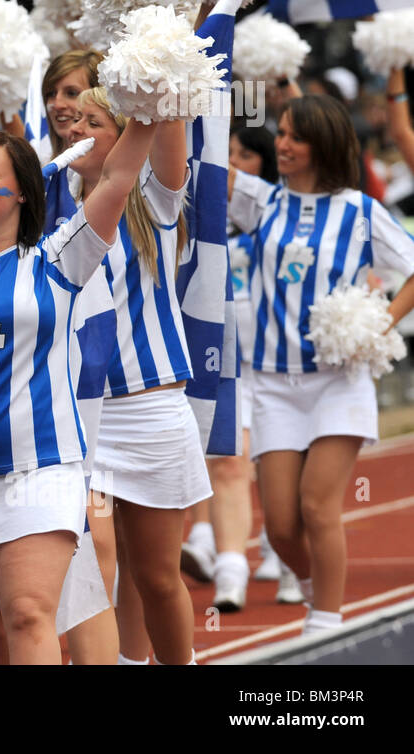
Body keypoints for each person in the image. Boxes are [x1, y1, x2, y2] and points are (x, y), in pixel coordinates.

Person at [0, 115, 160, 664]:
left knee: (29, 612)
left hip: (41, 468)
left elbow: (119, 178)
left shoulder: (58, 257)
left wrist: (148, 111)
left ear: (25, 193)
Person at [228, 95, 414, 635]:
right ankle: (313, 588)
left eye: (294, 136)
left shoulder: (361, 211)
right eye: (280, 133)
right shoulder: (259, 201)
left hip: (339, 381)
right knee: (282, 525)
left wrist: (378, 324)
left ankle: (327, 623)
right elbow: (199, 159)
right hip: (271, 380)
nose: (281, 144)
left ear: (324, 145)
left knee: (317, 505)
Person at [70, 86, 210, 666]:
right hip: (78, 420)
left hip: (148, 414)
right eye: (72, 117)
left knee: (156, 577)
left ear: (126, 132)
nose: (76, 127)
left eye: (94, 120)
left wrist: (164, 67)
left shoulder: (152, 202)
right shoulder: (51, 197)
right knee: (95, 559)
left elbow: (169, 129)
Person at [181, 125, 277, 610]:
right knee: (207, 454)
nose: (233, 165)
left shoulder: (268, 213)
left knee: (236, 460)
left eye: (244, 156)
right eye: (228, 154)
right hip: (201, 343)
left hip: (258, 359)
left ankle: (237, 565)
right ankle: (205, 540)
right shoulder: (190, 202)